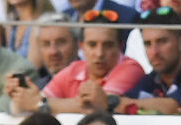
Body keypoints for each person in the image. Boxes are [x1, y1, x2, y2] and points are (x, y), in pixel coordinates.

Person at [11, 17, 144, 115]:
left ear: (120, 46)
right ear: (81, 46)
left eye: (108, 45)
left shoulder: (131, 68)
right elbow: (24, 106)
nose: (99, 53)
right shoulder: (73, 69)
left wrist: (39, 103)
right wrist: (21, 96)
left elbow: (95, 106)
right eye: (92, 45)